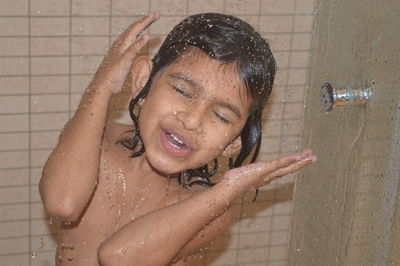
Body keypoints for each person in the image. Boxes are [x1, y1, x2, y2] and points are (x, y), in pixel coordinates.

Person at [39, 11, 317, 266]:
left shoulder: (209, 210)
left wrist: (226, 191)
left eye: (221, 116)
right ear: (142, 80)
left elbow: (119, 258)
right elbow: (62, 203)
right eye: (183, 91)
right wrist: (101, 86)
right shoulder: (94, 140)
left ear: (233, 144)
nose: (192, 120)